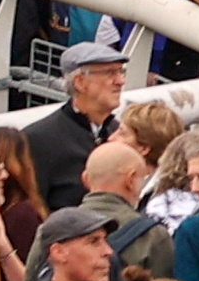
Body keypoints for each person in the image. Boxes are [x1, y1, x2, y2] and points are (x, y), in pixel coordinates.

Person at [27, 38, 127, 210]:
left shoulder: (118, 132)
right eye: (110, 73)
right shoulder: (39, 140)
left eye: (121, 71)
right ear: (80, 82)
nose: (120, 81)